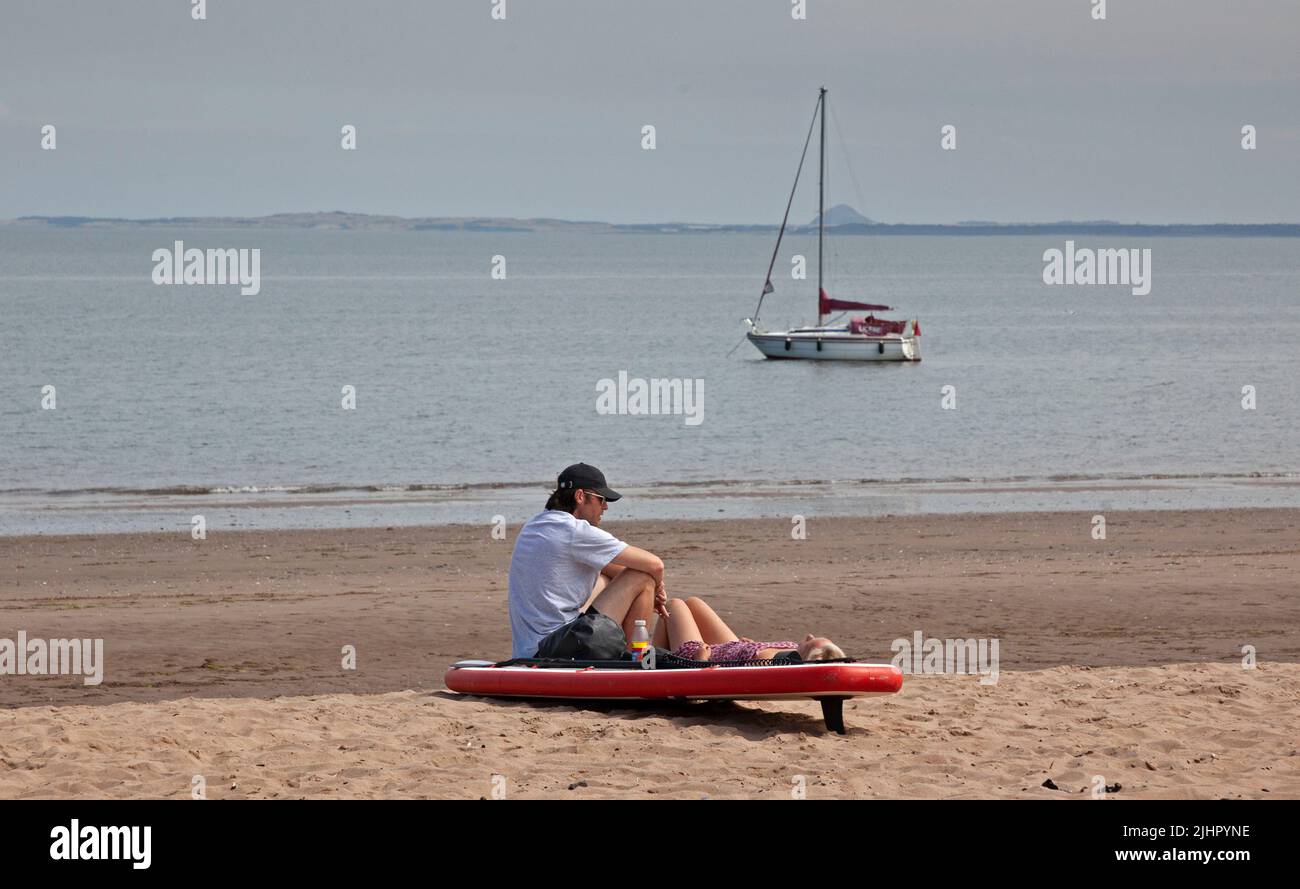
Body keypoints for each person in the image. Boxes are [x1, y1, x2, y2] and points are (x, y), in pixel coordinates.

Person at [508, 463, 669, 660]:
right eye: (601, 500)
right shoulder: (574, 531)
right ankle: (634, 660)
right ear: (580, 496)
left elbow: (614, 570)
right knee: (643, 578)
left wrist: (652, 595)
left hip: (530, 648)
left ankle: (628, 653)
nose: (606, 507)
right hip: (556, 648)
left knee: (605, 578)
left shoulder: (534, 525)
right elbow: (655, 565)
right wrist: (657, 586)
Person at [650, 596, 844, 663]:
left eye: (809, 642)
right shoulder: (788, 655)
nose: (808, 635)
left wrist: (700, 661)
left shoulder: (769, 666)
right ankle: (657, 656)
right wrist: (752, 647)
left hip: (707, 655)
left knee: (673, 605)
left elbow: (723, 682)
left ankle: (653, 665)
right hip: (733, 647)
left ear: (805, 657)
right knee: (693, 603)